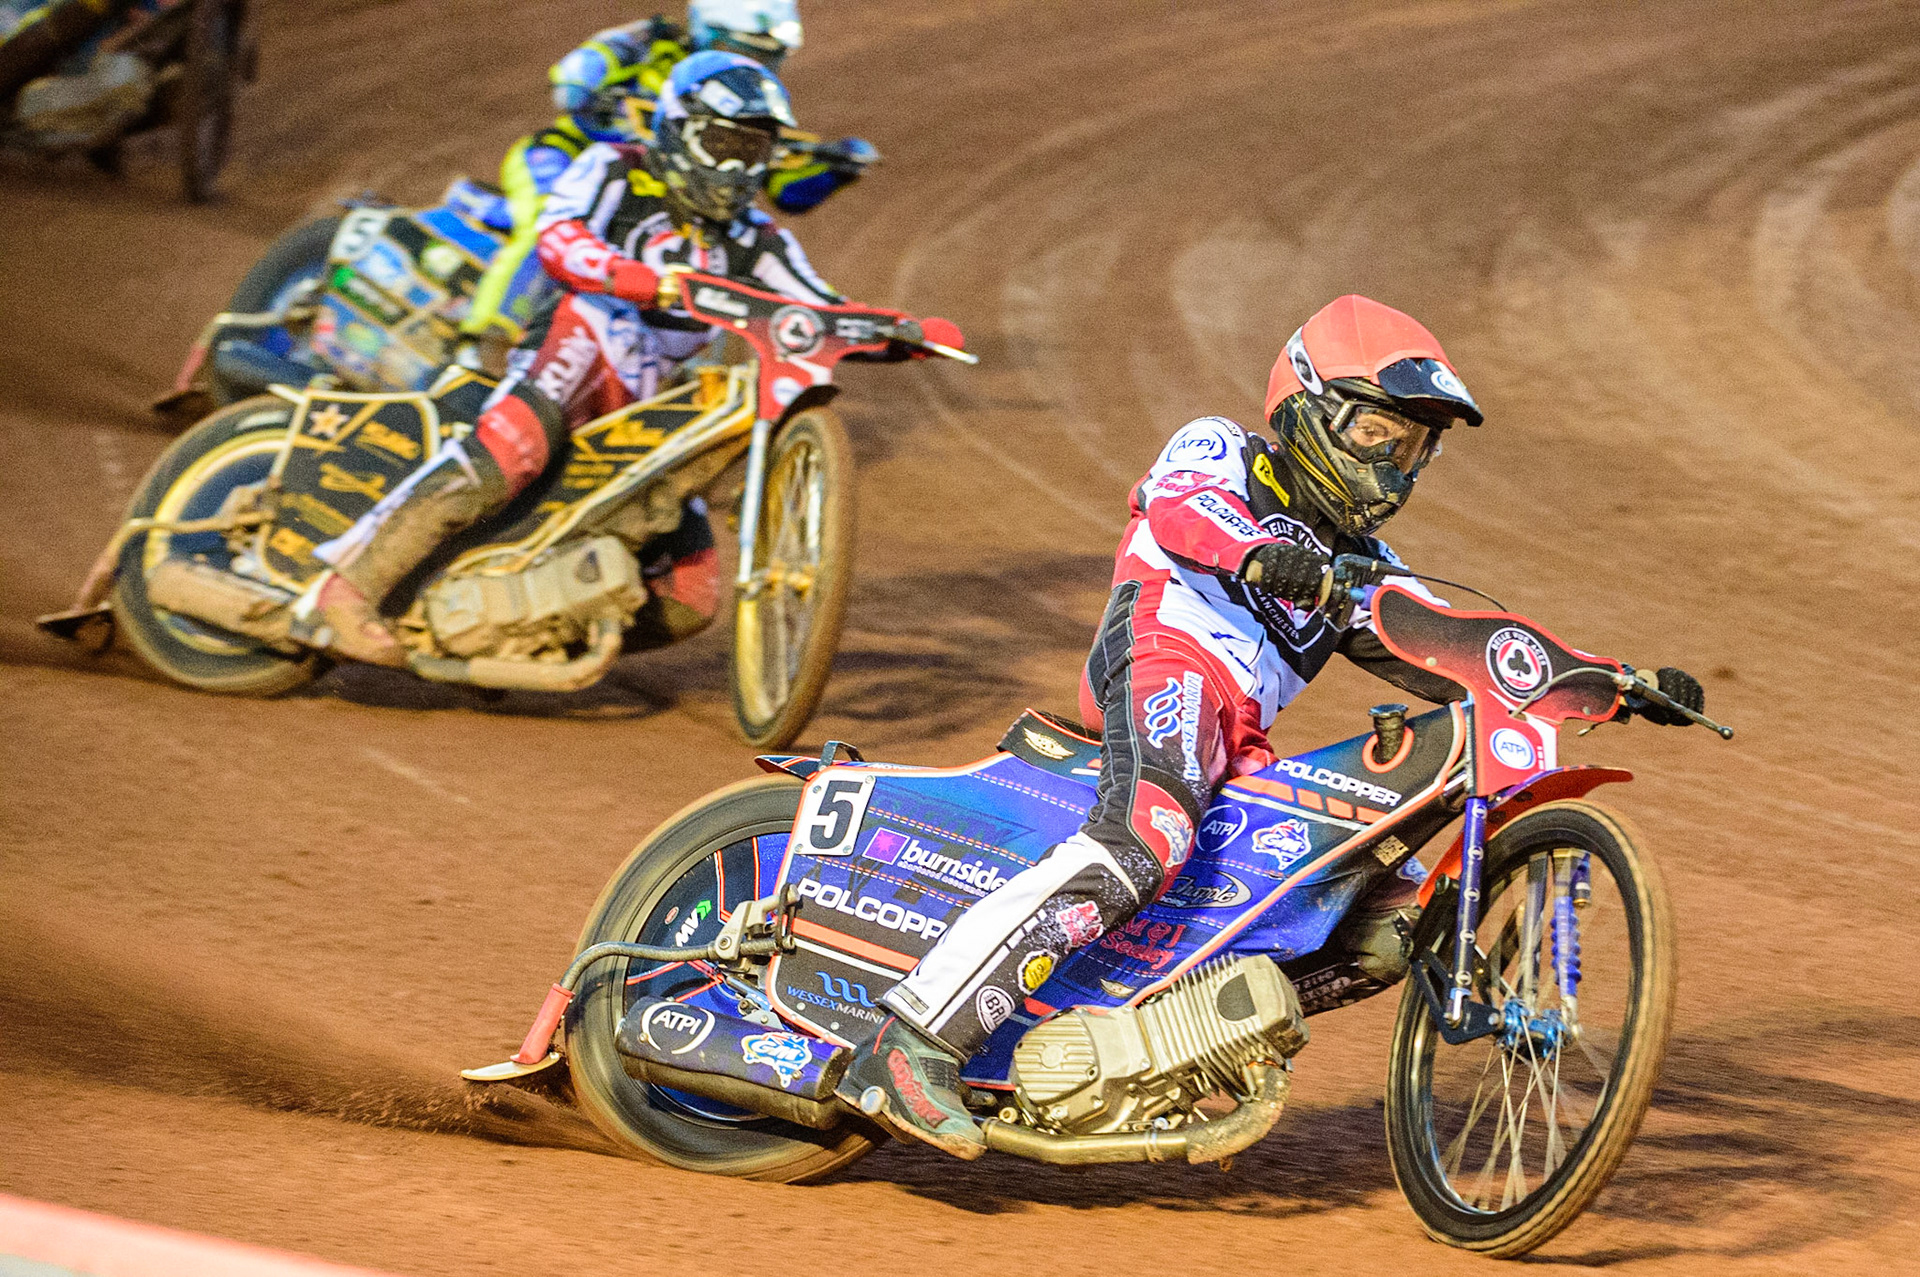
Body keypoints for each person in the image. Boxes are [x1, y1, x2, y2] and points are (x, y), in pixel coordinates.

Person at [832, 294, 1709, 1158]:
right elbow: (1180, 508)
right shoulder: (1226, 450)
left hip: (1240, 732)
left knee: (1374, 926)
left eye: (1414, 448)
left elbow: (1457, 644)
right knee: (1149, 833)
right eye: (1378, 434)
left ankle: (1165, 1041)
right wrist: (1260, 550)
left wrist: (1609, 681)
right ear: (1309, 405)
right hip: (1163, 655)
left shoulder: (1366, 571)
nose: (1395, 466)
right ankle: (910, 1041)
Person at [296, 52, 853, 665]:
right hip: (584, 335)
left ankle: (517, 632)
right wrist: (634, 278)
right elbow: (559, 237)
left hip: (662, 399)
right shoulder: (615, 168)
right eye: (722, 143)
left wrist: (902, 331)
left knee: (688, 599)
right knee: (508, 454)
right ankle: (346, 589)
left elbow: (819, 305)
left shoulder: (759, 240)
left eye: (751, 152)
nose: (734, 166)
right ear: (678, 127)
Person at [460, 0, 876, 346]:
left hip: (658, 192)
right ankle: (482, 343)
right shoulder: (652, 43)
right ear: (711, 29)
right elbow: (572, 79)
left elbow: (783, 191)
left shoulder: (743, 105)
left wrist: (833, 172)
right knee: (548, 221)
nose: (759, 64)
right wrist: (595, 97)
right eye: (753, 50)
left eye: (771, 56)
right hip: (568, 157)